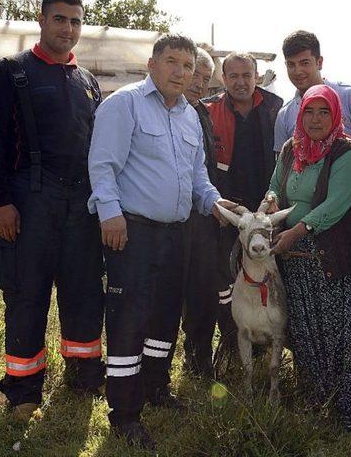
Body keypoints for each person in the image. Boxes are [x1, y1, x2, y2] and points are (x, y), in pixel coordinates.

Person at [87, 34, 232, 449]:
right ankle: (125, 413)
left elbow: (198, 178)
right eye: (171, 62)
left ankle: (155, 388)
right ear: (151, 63)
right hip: (132, 231)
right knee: (128, 320)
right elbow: (102, 164)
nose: (180, 72)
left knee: (166, 317)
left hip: (178, 233)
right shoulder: (124, 104)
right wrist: (110, 214)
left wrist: (216, 205)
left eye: (187, 66)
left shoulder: (189, 116)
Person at [0, 0, 105, 422]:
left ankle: (85, 375)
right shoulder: (11, 72)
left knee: (85, 291)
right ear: (42, 20)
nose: (68, 29)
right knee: (27, 294)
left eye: (75, 22)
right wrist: (1, 201)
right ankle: (24, 390)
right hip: (31, 201)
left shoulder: (87, 82)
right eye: (59, 19)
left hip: (81, 204)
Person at [275, 30, 351, 384]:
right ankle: (317, 387)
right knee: (308, 319)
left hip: (348, 228)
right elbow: (280, 181)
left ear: (319, 61)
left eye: (305, 62)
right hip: (300, 249)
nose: (298, 71)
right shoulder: (286, 121)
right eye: (291, 65)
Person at [268, 84, 351, 430]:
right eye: (309, 112)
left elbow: (336, 205)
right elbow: (274, 185)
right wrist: (269, 204)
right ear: (300, 115)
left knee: (346, 334)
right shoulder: (291, 149)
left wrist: (295, 232)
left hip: (336, 259)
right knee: (306, 332)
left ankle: (350, 412)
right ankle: (317, 401)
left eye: (324, 112)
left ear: (336, 115)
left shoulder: (348, 153)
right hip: (297, 262)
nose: (316, 120)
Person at [203, 52, 283, 359]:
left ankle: (267, 344)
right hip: (227, 212)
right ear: (223, 80)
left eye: (246, 75)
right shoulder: (209, 110)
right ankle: (232, 340)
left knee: (268, 275)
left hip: (267, 211)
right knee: (225, 275)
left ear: (257, 77)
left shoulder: (276, 108)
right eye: (233, 76)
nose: (240, 82)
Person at [179, 47, 221, 376]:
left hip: (203, 215)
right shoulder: (157, 109)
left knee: (204, 290)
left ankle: (198, 358)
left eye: (206, 80)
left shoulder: (201, 113)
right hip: (173, 218)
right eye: (196, 75)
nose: (200, 84)